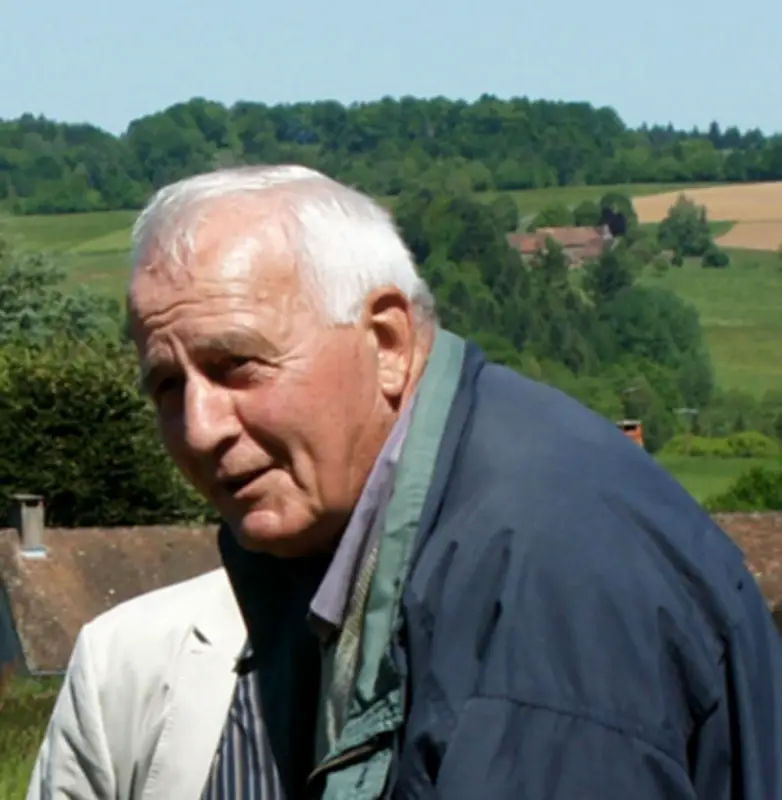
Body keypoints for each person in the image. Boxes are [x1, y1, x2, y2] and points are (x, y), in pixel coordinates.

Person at [29, 165, 782, 800]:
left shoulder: (538, 578)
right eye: (166, 385)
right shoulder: (394, 535)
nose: (200, 428)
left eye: (237, 366)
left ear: (387, 342)